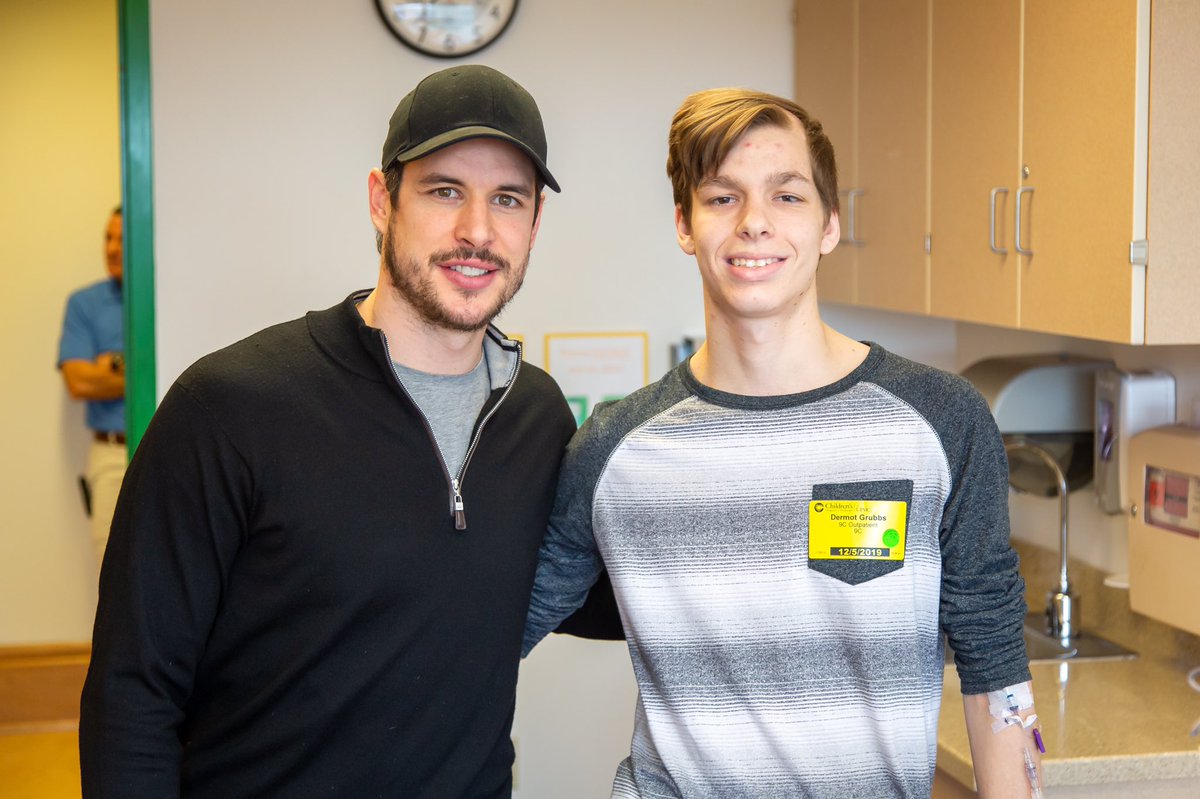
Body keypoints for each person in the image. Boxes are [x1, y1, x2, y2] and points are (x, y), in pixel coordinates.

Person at [523, 89, 1042, 798]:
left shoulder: (941, 422)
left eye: (787, 196)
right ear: (684, 223)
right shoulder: (616, 447)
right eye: (722, 197)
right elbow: (482, 629)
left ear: (830, 224)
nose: (755, 223)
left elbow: (994, 667)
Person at [80, 65, 576, 798]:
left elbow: (623, 577)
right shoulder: (230, 407)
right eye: (445, 190)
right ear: (383, 201)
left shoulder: (534, 415)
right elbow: (132, 694)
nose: (478, 230)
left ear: (534, 223)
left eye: (507, 199)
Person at [58, 206, 126, 566]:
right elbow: (79, 381)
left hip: (166, 445)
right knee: (111, 570)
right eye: (107, 237)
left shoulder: (168, 296)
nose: (112, 248)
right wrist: (137, 363)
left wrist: (113, 363)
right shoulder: (85, 304)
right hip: (111, 454)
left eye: (122, 239)